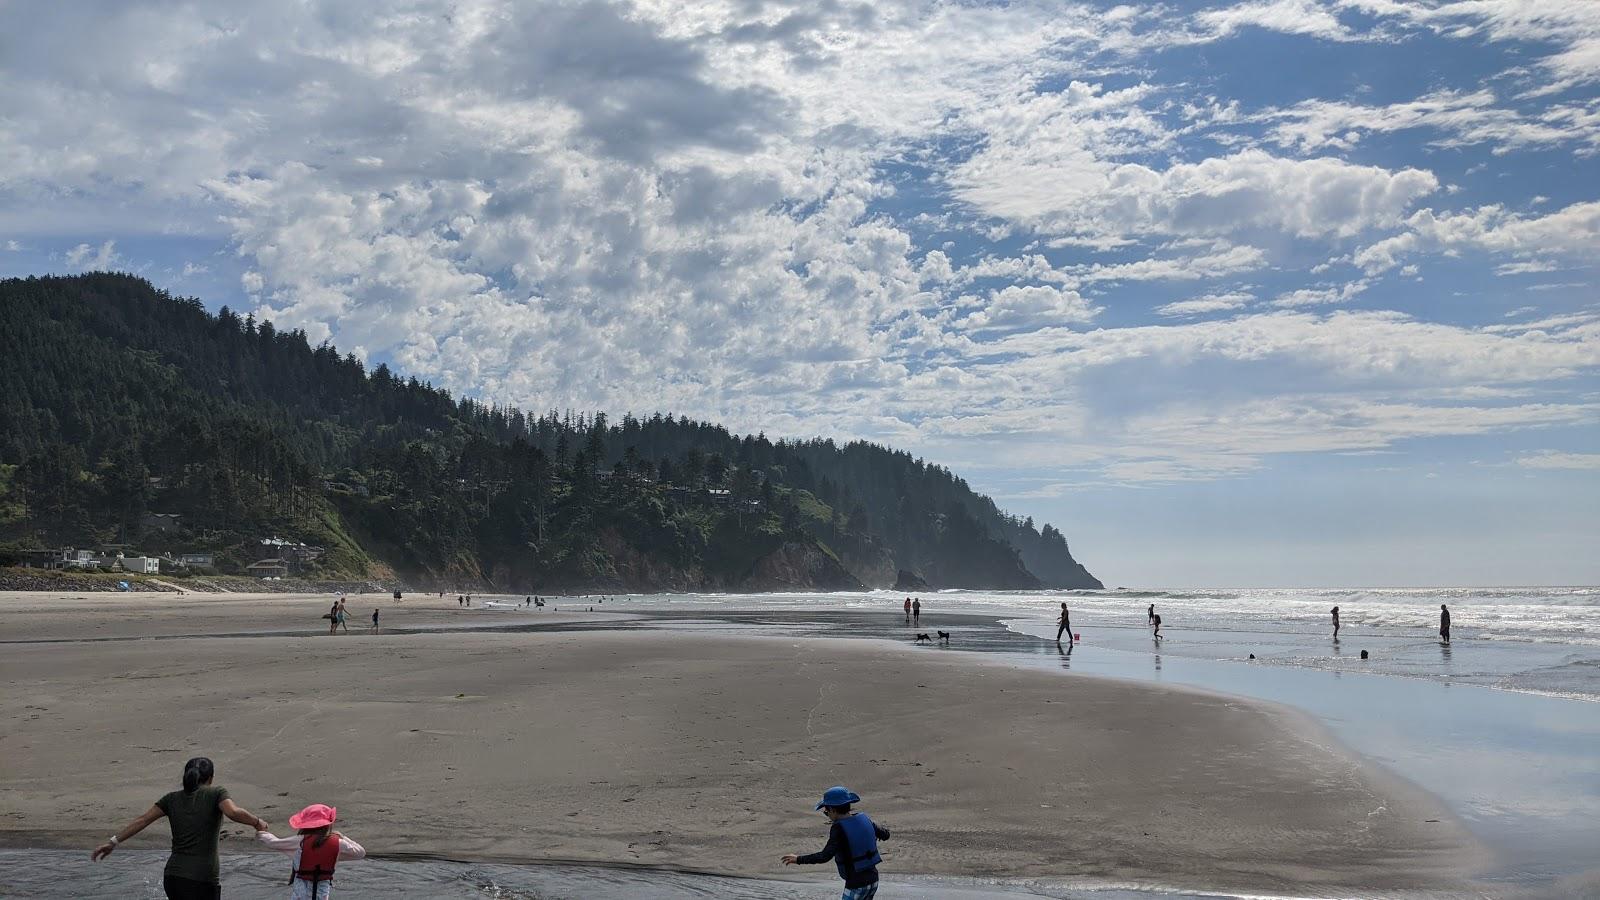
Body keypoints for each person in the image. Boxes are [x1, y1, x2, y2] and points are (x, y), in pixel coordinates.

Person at [92, 757, 270, 900]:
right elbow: (233, 812)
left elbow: (143, 820)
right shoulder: (216, 793)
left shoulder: (171, 799)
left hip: (173, 878)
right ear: (211, 778)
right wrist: (257, 822)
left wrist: (113, 842)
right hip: (202, 880)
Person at [781, 786, 890, 900]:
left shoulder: (839, 828)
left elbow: (824, 856)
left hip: (856, 885)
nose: (827, 814)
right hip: (873, 881)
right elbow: (886, 835)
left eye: (826, 812)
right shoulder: (865, 819)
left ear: (832, 809)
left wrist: (798, 859)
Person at [256, 804, 366, 899]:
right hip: (322, 894)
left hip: (300, 895)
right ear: (328, 825)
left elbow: (274, 843)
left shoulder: (300, 841)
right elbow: (361, 853)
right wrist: (342, 837)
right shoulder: (338, 843)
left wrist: (262, 833)